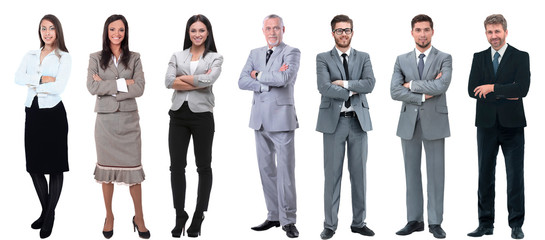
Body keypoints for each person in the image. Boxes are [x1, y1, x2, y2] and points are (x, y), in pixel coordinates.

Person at [467, 14, 530, 240]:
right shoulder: (479, 57)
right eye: (489, 32)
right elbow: (472, 90)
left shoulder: (521, 57)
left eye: (497, 32)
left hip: (513, 126)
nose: (494, 36)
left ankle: (516, 224)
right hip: (485, 125)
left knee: (515, 176)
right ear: (486, 33)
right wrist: (506, 92)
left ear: (505, 31)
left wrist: (492, 87)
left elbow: (522, 89)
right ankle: (485, 224)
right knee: (485, 175)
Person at [87, 14, 150, 239]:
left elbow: (140, 87)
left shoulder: (134, 58)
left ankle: (139, 217)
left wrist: (107, 85)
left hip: (129, 121)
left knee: (134, 171)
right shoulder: (95, 57)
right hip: (105, 123)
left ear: (126, 32)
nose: (116, 34)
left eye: (121, 30)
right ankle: (109, 216)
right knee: (106, 174)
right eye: (112, 29)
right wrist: (124, 83)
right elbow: (91, 87)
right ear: (106, 32)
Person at [238, 14, 301, 238]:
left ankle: (289, 220)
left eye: (276, 28)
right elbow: (242, 80)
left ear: (283, 29)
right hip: (259, 119)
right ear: (262, 31)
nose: (272, 32)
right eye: (268, 28)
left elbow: (285, 78)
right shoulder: (254, 53)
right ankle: (274, 215)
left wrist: (258, 74)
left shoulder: (292, 52)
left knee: (285, 173)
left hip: (282, 119)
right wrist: (265, 83)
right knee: (266, 171)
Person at [390, 14, 452, 239]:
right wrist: (423, 95)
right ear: (412, 32)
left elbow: (442, 85)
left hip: (435, 121)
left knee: (436, 174)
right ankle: (414, 220)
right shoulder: (401, 59)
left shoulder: (444, 58)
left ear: (432, 31)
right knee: (411, 173)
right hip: (409, 123)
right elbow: (394, 91)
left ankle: (435, 222)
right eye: (418, 30)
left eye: (426, 29)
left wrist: (412, 85)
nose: (422, 34)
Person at [315, 14, 376, 240]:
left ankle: (359, 223)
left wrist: (343, 84)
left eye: (347, 30)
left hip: (358, 122)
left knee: (359, 175)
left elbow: (370, 84)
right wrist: (354, 89)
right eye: (339, 30)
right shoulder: (322, 58)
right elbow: (323, 87)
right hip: (334, 123)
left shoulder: (364, 57)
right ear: (333, 33)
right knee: (332, 176)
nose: (343, 34)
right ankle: (330, 225)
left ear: (352, 32)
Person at [165, 14, 223, 238]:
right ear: (188, 33)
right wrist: (197, 79)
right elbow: (168, 81)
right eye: (193, 31)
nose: (197, 34)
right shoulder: (177, 55)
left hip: (202, 117)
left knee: (203, 166)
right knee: (176, 167)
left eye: (201, 30)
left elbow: (210, 81)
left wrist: (184, 78)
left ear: (207, 32)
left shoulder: (216, 57)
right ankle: (180, 214)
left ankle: (199, 215)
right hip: (178, 115)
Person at [15, 14, 71, 239]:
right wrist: (43, 78)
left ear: (58, 31)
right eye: (43, 29)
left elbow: (59, 86)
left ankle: (48, 217)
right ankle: (48, 212)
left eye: (51, 29)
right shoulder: (30, 55)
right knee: (35, 166)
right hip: (33, 112)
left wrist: (37, 80)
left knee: (56, 167)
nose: (47, 33)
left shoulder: (64, 57)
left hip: (54, 115)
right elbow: (17, 78)